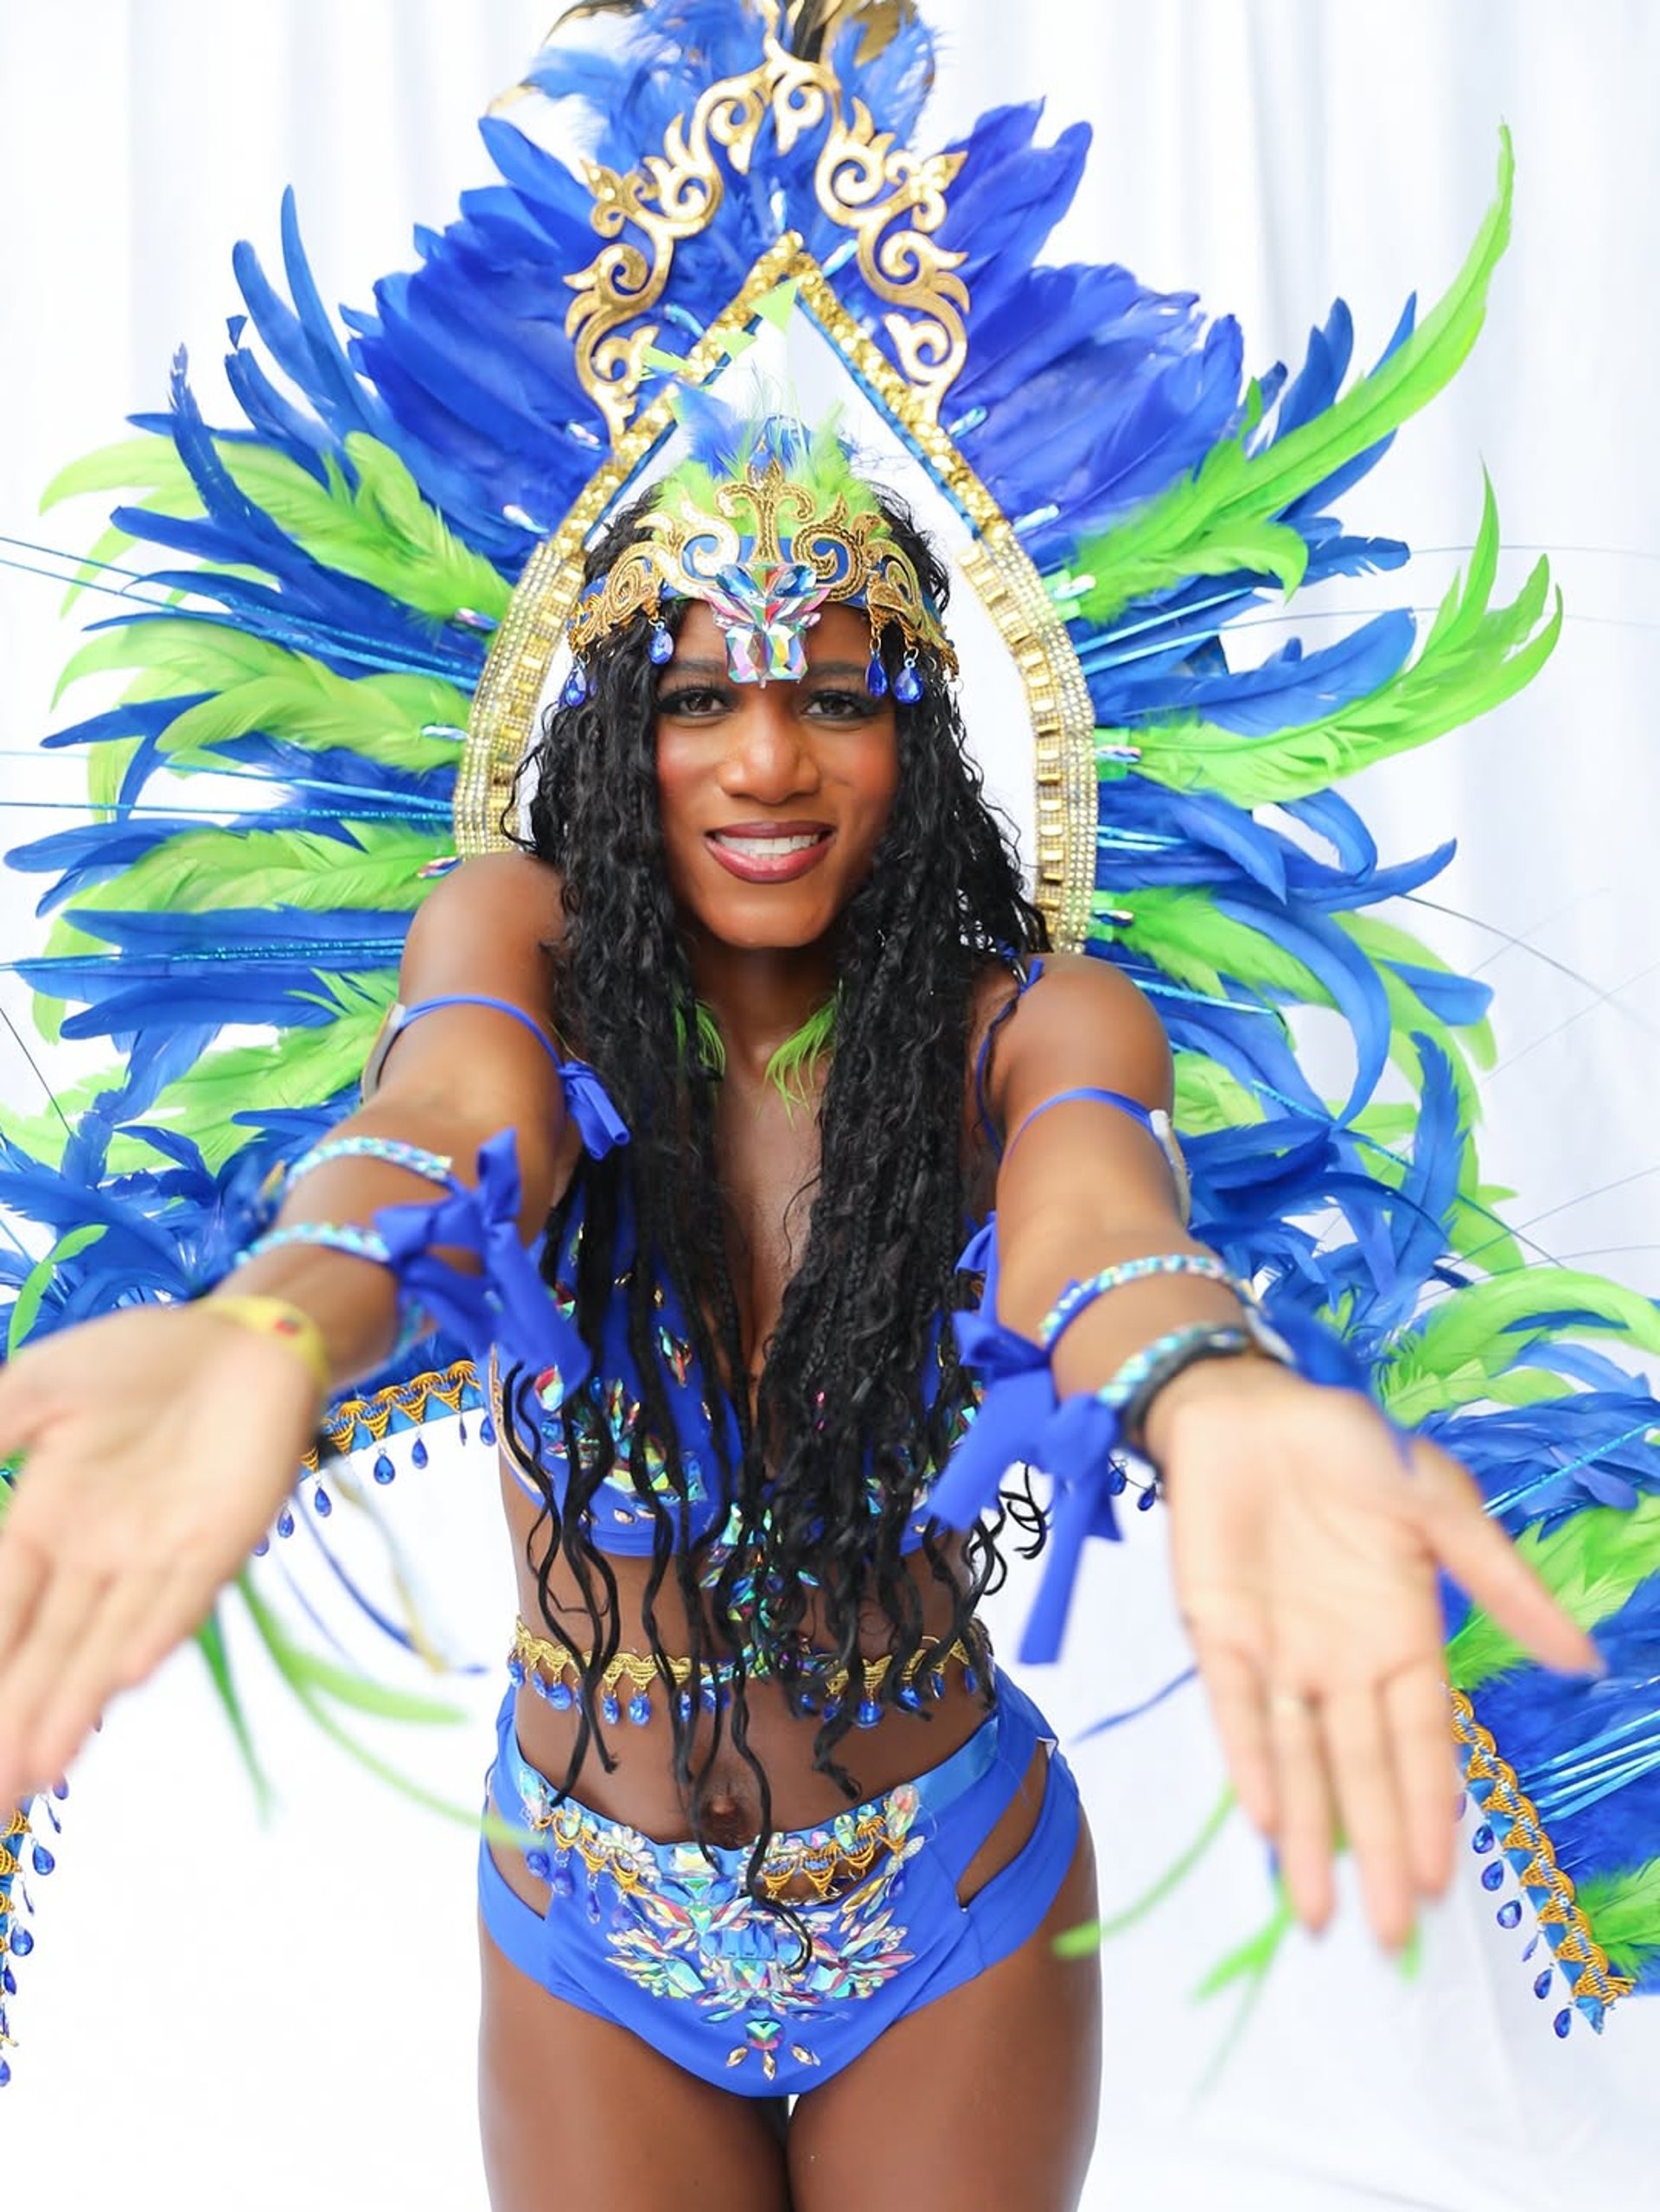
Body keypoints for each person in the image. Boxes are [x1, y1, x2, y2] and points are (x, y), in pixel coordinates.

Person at [0, 416, 1597, 2212]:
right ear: (620, 734)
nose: (767, 761)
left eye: (838, 699)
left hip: (947, 1905)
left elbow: (1095, 1223)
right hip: (587, 1920)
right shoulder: (518, 944)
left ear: (921, 739)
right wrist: (271, 1325)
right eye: (699, 700)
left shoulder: (1036, 1025)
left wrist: (1209, 1384)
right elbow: (445, 1125)